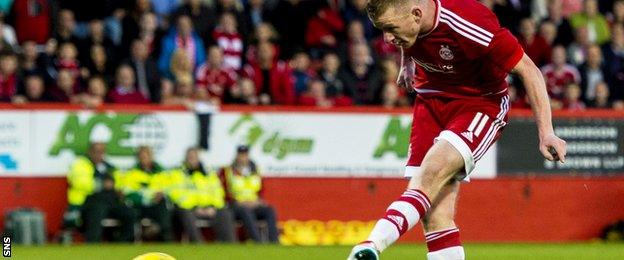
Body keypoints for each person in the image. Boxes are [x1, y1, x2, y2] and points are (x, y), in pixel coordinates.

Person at [348, 1, 567, 260]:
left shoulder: (470, 24)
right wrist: (408, 61)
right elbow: (411, 36)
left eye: (390, 28)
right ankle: (371, 246)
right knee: (435, 216)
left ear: (417, 15)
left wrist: (546, 132)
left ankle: (371, 245)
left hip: (479, 104)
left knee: (433, 170)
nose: (386, 38)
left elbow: (530, 71)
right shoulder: (410, 20)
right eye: (382, 30)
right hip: (430, 102)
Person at [67, 142, 136, 242]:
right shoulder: (81, 165)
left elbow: (120, 181)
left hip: (111, 202)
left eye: (101, 152)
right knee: (97, 211)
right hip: (88, 202)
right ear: (90, 152)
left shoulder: (109, 167)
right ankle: (93, 243)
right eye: (96, 152)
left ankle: (123, 243)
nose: (99, 155)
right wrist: (101, 184)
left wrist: (120, 190)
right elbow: (80, 183)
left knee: (129, 213)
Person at [168, 147, 237, 243]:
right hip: (190, 208)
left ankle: (230, 244)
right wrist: (196, 207)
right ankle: (198, 244)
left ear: (198, 158)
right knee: (185, 213)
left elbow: (218, 193)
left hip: (209, 208)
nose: (192, 160)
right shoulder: (177, 174)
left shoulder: (209, 174)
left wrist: (212, 207)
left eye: (194, 157)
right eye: (190, 157)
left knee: (225, 213)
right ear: (185, 158)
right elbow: (177, 195)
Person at [219, 145, 279, 243]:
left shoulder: (256, 170)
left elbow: (260, 190)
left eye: (245, 155)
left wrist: (258, 201)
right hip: (236, 205)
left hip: (253, 204)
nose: (243, 158)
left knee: (270, 210)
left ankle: (274, 241)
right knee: (246, 211)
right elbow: (223, 191)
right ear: (236, 156)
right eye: (241, 155)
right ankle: (257, 241)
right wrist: (237, 201)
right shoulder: (227, 171)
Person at [118, 146, 173, 241]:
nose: (144, 159)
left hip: (155, 204)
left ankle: (161, 233)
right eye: (141, 156)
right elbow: (127, 190)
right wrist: (142, 198)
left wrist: (161, 194)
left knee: (164, 204)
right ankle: (129, 240)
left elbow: (169, 188)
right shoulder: (131, 173)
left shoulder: (162, 172)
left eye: (146, 156)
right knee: (128, 212)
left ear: (151, 156)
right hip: (138, 205)